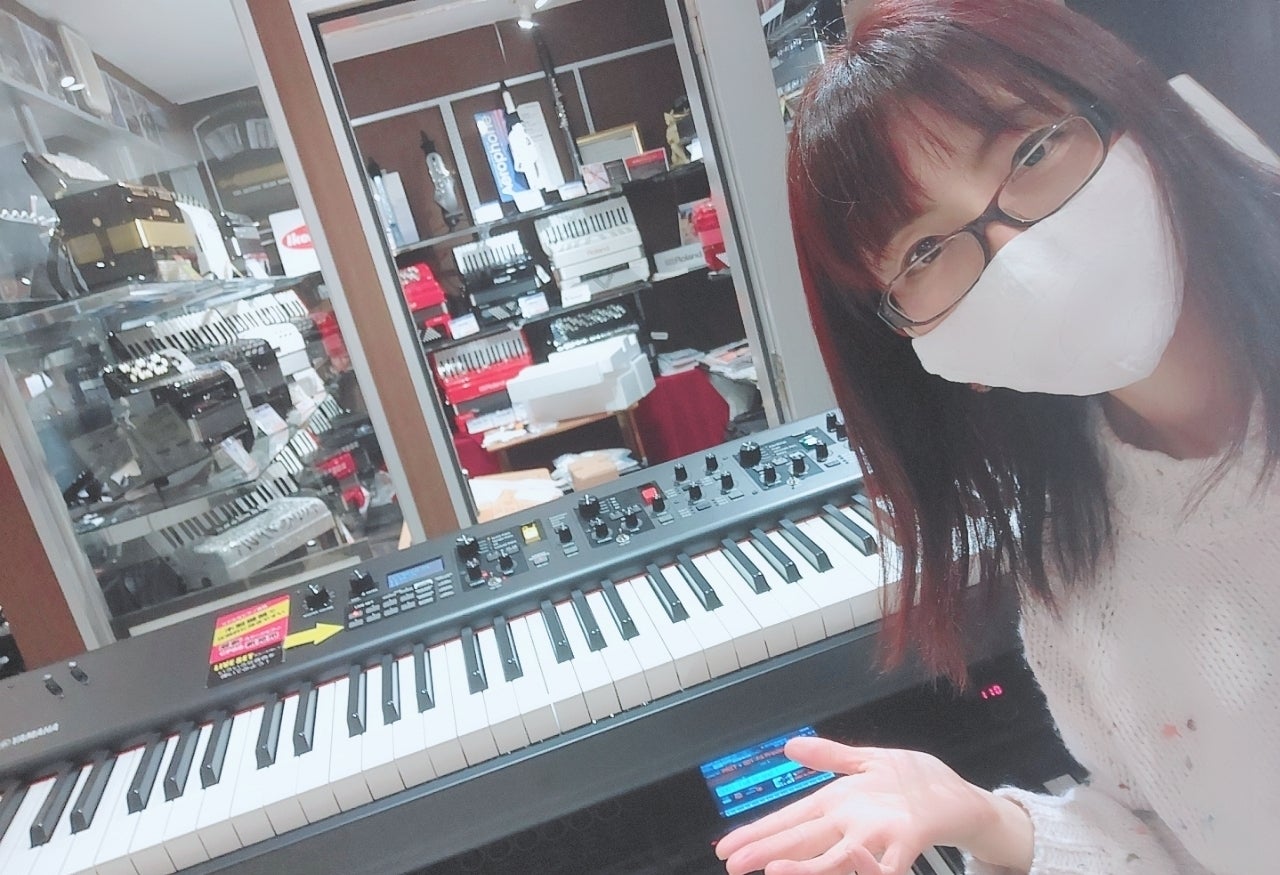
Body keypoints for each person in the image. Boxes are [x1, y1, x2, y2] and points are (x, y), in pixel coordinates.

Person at [713, 1, 1280, 873]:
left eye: (1032, 152)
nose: (1016, 248)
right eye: (924, 251)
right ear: (943, 354)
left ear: (1133, 116)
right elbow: (1180, 833)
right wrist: (984, 820)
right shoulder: (1073, 559)